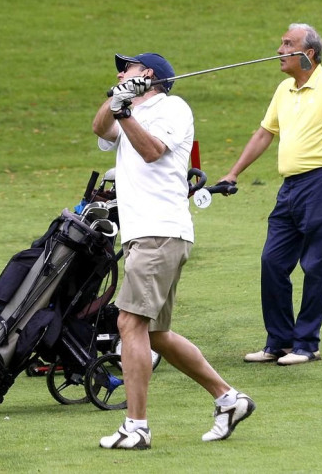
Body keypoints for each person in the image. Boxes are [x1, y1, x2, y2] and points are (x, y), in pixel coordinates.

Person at [93, 52, 254, 449]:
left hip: (159, 232)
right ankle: (228, 399)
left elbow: (151, 151)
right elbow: (99, 128)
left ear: (148, 75)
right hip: (145, 234)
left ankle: (136, 427)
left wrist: (125, 110)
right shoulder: (130, 106)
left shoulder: (173, 108)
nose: (119, 72)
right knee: (157, 334)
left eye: (127, 68)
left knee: (129, 326)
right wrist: (117, 99)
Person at [220, 24, 322, 366]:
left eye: (287, 44)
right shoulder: (284, 89)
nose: (279, 50)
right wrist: (234, 172)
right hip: (290, 188)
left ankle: (306, 344)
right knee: (272, 261)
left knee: (314, 265)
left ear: (307, 53)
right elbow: (265, 134)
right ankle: (279, 341)